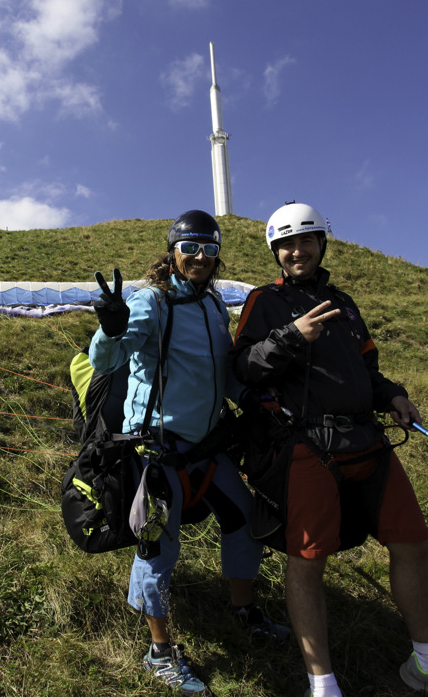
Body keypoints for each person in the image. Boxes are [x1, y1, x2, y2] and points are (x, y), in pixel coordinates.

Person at [231, 202, 428, 697]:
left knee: (412, 542)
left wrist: (392, 393)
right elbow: (243, 368)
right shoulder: (265, 302)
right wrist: (290, 337)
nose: (296, 251)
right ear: (275, 251)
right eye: (286, 244)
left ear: (323, 243)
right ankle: (323, 686)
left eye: (306, 240)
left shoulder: (345, 302)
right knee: (307, 559)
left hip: (368, 440)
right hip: (306, 445)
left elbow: (367, 365)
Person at [89, 210, 288, 696]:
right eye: (191, 248)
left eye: (210, 249)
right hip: (157, 451)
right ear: (173, 251)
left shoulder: (215, 306)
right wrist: (110, 330)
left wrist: (255, 402)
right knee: (159, 548)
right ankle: (159, 651)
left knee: (246, 521)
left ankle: (244, 610)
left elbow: (224, 370)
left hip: (208, 445)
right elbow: (109, 359)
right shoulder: (151, 302)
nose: (200, 257)